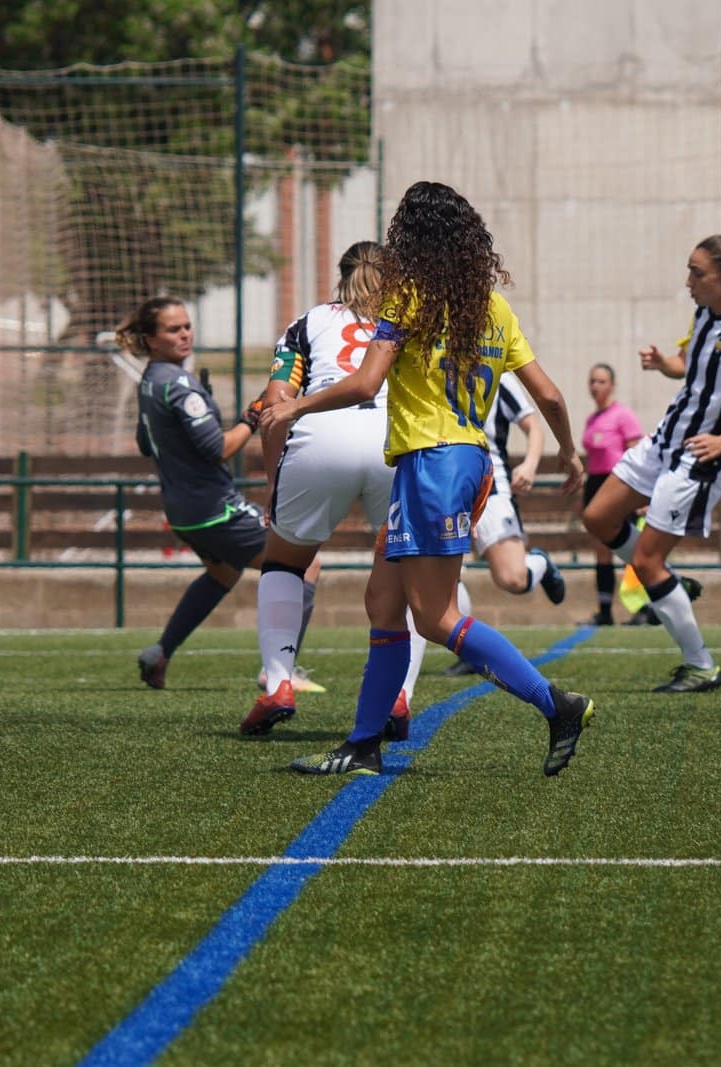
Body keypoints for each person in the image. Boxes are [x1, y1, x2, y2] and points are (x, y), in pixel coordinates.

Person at [261, 180, 593, 777]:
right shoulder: (491, 306)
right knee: (383, 603)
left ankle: (556, 705)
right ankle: (363, 744)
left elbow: (366, 383)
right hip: (465, 460)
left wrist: (296, 407)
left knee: (436, 618)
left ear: (408, 237)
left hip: (431, 463)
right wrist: (569, 452)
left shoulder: (407, 298)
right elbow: (548, 394)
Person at [582, 227, 721, 693]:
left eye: (697, 273)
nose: (688, 281)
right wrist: (663, 363)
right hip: (663, 442)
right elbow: (689, 365)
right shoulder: (705, 314)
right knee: (597, 517)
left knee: (647, 561)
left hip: (697, 460)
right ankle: (668, 584)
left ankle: (701, 666)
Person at [238, 241, 418, 741]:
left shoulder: (309, 322)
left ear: (341, 277)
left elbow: (275, 405)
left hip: (320, 437)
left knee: (284, 562)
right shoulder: (410, 320)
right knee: (408, 571)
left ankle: (279, 682)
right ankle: (397, 693)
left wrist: (274, 480)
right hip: (395, 440)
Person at [122, 297, 319, 691]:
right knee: (306, 565)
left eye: (186, 326)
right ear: (151, 339)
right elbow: (219, 449)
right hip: (214, 508)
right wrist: (252, 416)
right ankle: (279, 670)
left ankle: (160, 653)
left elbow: (145, 443)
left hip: (182, 512)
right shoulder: (178, 384)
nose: (185, 334)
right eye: (173, 329)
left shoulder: (149, 382)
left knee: (222, 573)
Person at [441, 373, 568, 676]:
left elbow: (532, 425)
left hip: (491, 487)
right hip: (442, 485)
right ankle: (467, 650)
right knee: (443, 575)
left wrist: (530, 464)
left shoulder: (499, 372)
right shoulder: (430, 361)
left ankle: (539, 562)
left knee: (512, 579)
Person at [579, 363, 643, 625]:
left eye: (601, 381)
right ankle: (605, 611)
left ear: (612, 385)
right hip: (595, 483)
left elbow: (637, 453)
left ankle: (646, 608)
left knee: (632, 548)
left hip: (618, 484)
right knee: (601, 550)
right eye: (592, 381)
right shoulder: (592, 419)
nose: (596, 386)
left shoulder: (623, 415)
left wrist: (640, 493)